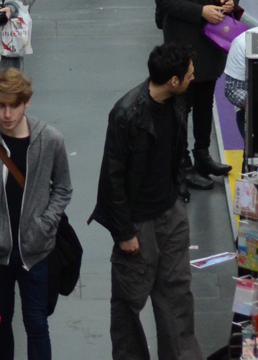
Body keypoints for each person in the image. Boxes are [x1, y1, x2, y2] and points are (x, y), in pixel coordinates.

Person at [94, 42, 203, 360]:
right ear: (173, 80)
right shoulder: (127, 113)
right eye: (189, 75)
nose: (193, 79)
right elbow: (112, 177)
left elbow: (178, 152)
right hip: (138, 225)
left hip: (171, 214)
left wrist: (180, 197)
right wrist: (125, 232)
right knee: (128, 304)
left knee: (177, 298)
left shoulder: (178, 102)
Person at [0, 67, 71, 360]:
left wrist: (45, 224)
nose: (7, 114)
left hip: (36, 249)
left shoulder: (50, 140)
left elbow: (63, 187)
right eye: (0, 106)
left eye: (14, 106)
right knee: (1, 320)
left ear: (27, 103)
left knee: (36, 323)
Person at [155, 0, 241, 188]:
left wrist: (230, 0)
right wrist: (200, 11)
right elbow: (164, 0)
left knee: (206, 99)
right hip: (184, 40)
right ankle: (182, 164)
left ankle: (202, 153)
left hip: (211, 41)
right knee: (182, 105)